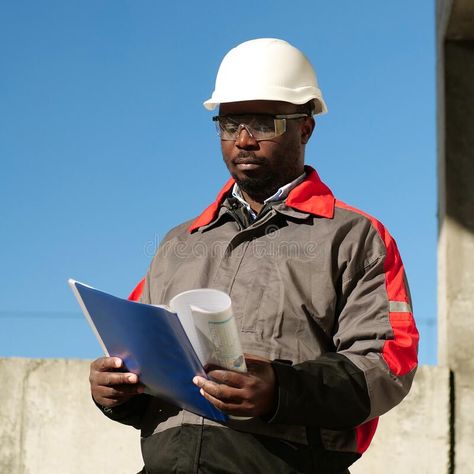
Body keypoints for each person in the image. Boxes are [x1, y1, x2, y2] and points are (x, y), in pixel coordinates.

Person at [89, 38, 419, 474]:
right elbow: (139, 352)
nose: (243, 141)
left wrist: (280, 390)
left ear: (305, 127)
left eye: (263, 124)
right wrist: (115, 390)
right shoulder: (177, 244)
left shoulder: (355, 236)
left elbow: (388, 361)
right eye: (230, 124)